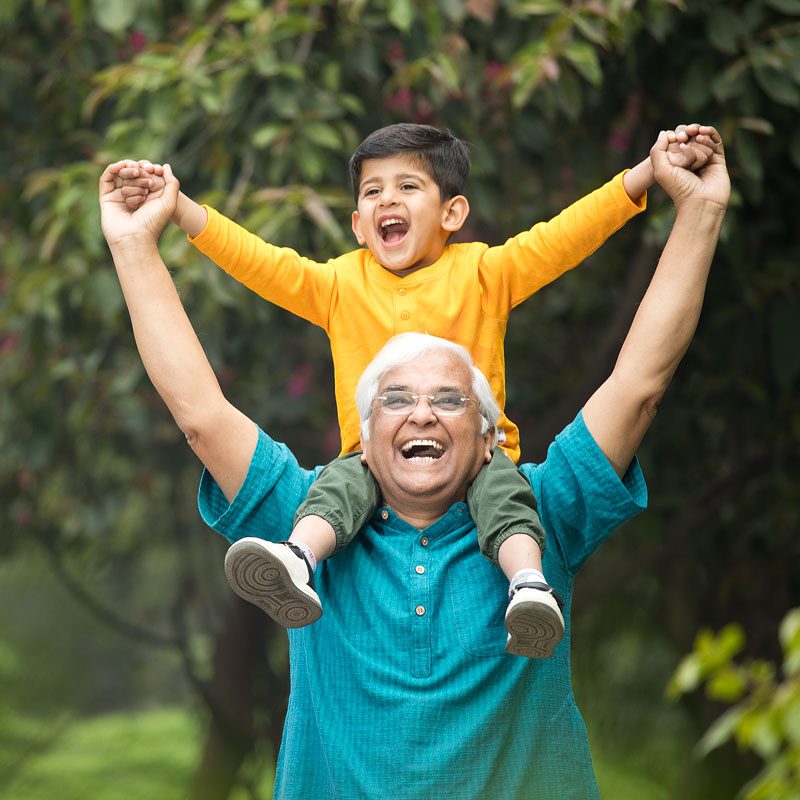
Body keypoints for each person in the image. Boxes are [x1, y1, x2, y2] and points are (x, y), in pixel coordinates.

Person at [100, 125, 729, 798]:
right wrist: (136, 245)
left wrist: (698, 210)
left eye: (448, 398)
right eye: (395, 397)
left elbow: (638, 388)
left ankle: (528, 590)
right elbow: (200, 413)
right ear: (365, 437)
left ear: (489, 436)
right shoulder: (307, 509)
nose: (422, 413)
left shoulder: (544, 513)